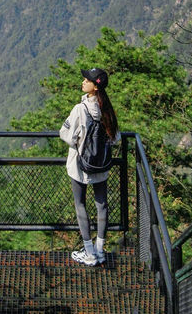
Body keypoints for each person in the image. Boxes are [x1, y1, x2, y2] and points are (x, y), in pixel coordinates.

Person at [59, 66, 120, 266]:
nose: (83, 82)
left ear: (94, 87)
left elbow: (66, 135)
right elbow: (116, 138)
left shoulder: (80, 109)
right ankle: (100, 250)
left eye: (87, 80)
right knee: (102, 204)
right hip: (102, 165)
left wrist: (79, 143)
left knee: (80, 205)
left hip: (80, 165)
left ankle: (89, 253)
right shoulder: (107, 109)